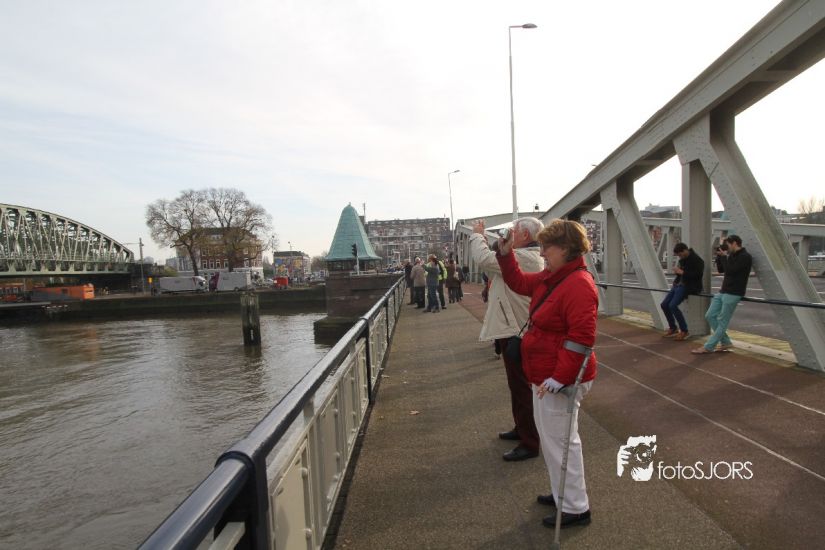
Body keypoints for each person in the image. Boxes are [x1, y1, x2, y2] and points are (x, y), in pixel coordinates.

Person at [497, 218, 598, 529]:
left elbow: (581, 339)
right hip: (546, 375)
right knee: (555, 442)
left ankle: (575, 507)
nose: (541, 253)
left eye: (547, 247)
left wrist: (559, 378)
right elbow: (519, 283)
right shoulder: (554, 277)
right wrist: (505, 255)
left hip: (558, 378)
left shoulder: (577, 284)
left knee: (562, 443)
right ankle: (562, 495)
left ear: (565, 249)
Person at [470, 217, 544, 462]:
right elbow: (493, 264)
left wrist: (477, 235)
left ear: (525, 235)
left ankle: (530, 442)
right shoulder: (522, 255)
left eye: (513, 230)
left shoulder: (526, 257)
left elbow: (483, 259)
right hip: (512, 327)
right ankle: (521, 428)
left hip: (517, 330)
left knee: (522, 388)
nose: (508, 234)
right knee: (516, 386)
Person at [692, 235, 753, 354]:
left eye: (728, 245)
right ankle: (726, 342)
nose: (727, 247)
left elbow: (731, 271)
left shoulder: (745, 257)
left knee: (722, 320)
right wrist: (720, 257)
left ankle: (709, 346)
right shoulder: (731, 256)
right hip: (723, 291)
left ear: (734, 243)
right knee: (710, 315)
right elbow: (721, 270)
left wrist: (725, 257)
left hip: (734, 292)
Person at [660, 243, 705, 340]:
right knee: (664, 304)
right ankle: (673, 328)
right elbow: (681, 274)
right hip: (678, 285)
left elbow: (698, 275)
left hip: (688, 286)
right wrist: (677, 276)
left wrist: (682, 272)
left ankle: (684, 330)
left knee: (672, 305)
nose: (679, 257)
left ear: (685, 250)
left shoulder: (697, 260)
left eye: (680, 255)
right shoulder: (683, 260)